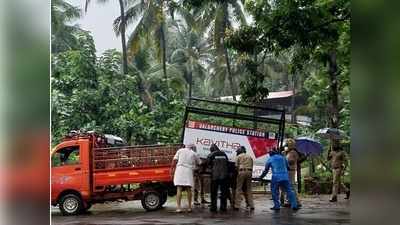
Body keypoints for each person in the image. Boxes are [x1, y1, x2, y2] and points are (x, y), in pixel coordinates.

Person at [170, 144, 200, 212]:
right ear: (192, 148)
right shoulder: (194, 153)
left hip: (179, 170)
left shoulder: (180, 150)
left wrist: (171, 169)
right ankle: (189, 207)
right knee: (188, 189)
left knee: (179, 189)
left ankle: (178, 208)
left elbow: (174, 160)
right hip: (188, 171)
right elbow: (200, 163)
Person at [206, 144, 229, 212]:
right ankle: (223, 207)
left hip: (215, 176)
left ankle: (213, 207)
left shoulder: (211, 155)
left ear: (212, 150)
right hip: (224, 176)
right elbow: (227, 163)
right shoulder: (224, 154)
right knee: (224, 192)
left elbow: (208, 164)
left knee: (214, 192)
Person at [280, 139, 302, 207]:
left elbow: (291, 162)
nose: (286, 146)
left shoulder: (293, 152)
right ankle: (290, 201)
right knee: (289, 186)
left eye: (287, 144)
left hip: (291, 171)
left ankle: (296, 202)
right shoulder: (288, 152)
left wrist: (284, 159)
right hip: (288, 171)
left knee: (291, 186)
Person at [233, 146, 255, 211]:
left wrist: (238, 173)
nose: (237, 152)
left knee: (238, 189)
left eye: (238, 151)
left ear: (240, 151)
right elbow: (252, 165)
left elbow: (236, 167)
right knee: (249, 189)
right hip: (249, 172)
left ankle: (237, 206)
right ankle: (252, 205)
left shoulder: (238, 156)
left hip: (242, 171)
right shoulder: (249, 156)